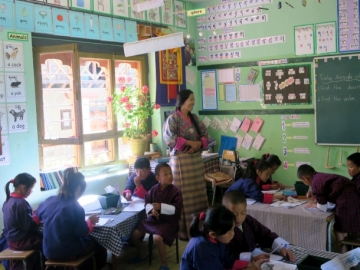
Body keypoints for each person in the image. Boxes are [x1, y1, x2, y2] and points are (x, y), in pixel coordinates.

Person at [163, 89, 213, 240]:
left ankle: (201, 227)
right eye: (190, 99)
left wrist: (198, 144)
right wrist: (189, 142)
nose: (193, 102)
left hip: (196, 162)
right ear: (182, 101)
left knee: (199, 194)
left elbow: (206, 136)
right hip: (180, 163)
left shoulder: (195, 119)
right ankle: (184, 231)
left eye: (193, 99)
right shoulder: (172, 119)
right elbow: (169, 138)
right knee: (183, 196)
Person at [36, 168, 107, 270]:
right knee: (98, 242)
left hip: (48, 251)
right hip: (68, 252)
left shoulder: (49, 201)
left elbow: (38, 215)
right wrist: (89, 222)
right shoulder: (76, 207)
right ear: (78, 189)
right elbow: (81, 232)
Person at [129, 163, 183, 270]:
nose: (170, 176)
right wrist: (152, 210)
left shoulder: (176, 191)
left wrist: (161, 207)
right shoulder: (154, 189)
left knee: (158, 238)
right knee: (134, 235)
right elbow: (147, 202)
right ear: (158, 178)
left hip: (169, 221)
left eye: (170, 173)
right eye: (166, 174)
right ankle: (142, 254)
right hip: (154, 219)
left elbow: (177, 210)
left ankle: (164, 264)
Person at [180, 205, 267, 270]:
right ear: (212, 234)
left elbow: (227, 262)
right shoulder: (201, 248)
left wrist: (249, 265)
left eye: (233, 229)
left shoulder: (218, 237)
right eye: (229, 232)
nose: (233, 234)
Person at [297, 164, 360, 253]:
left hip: (347, 202)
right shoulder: (319, 176)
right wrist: (314, 193)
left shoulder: (315, 182)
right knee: (345, 232)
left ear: (305, 178)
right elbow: (325, 190)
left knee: (340, 231)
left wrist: (313, 205)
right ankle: (348, 255)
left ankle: (344, 257)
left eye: (302, 181)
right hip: (353, 198)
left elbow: (323, 207)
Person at [223, 191, 296, 263]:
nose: (239, 218)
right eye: (234, 214)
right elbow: (226, 255)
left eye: (243, 213)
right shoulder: (222, 229)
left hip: (257, 255)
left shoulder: (248, 220)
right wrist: (251, 259)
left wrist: (281, 247)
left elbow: (265, 235)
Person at [2, 173, 42, 270]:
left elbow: (18, 217)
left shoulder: (8, 201)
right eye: (31, 188)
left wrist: (32, 212)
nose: (31, 191)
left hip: (11, 241)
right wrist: (38, 216)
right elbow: (30, 226)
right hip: (22, 242)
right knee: (47, 238)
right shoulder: (21, 203)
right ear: (24, 187)